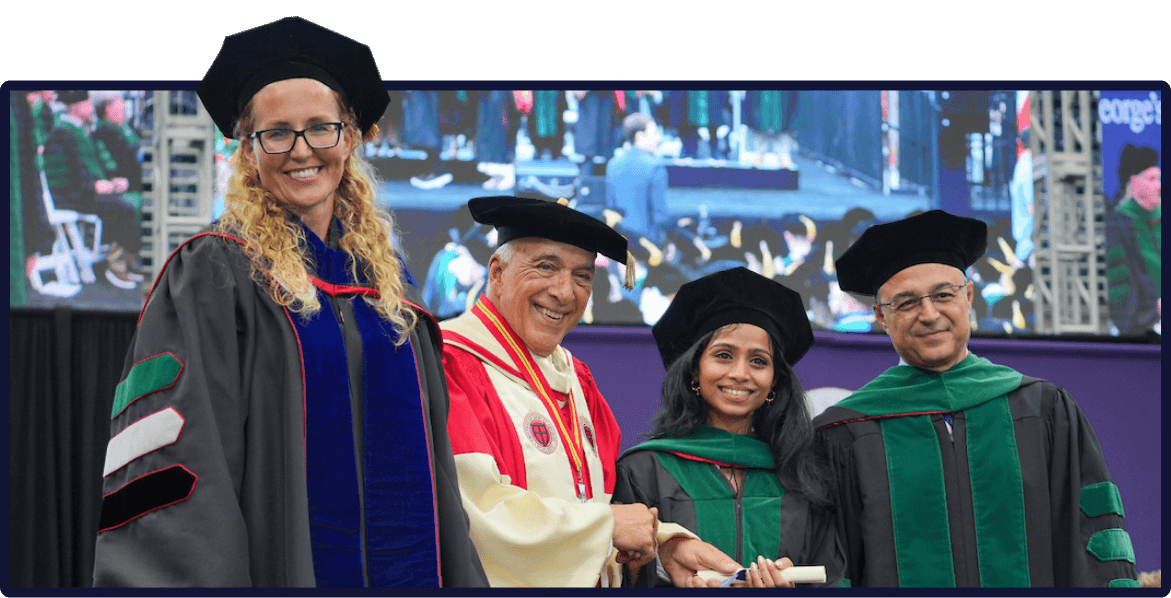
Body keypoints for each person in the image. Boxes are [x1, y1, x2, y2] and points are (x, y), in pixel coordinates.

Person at [91, 17, 487, 587]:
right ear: (249, 150)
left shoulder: (388, 288)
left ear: (349, 138)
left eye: (321, 128)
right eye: (277, 133)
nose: (302, 151)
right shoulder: (214, 274)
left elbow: (437, 474)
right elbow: (178, 462)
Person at [813, 210, 1139, 587]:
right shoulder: (845, 431)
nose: (929, 314)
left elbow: (1094, 542)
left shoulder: (1044, 409)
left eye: (943, 295)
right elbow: (831, 566)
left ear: (967, 296)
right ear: (881, 317)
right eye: (906, 303)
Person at [441, 195, 743, 586]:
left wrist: (661, 545)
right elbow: (471, 515)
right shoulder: (450, 364)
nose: (565, 293)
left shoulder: (576, 378)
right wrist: (607, 527)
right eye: (546, 267)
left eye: (582, 276)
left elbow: (596, 503)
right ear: (497, 273)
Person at [614, 267, 846, 587]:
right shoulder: (645, 470)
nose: (740, 373)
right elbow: (620, 574)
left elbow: (834, 576)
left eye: (758, 361)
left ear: (774, 381)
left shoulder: (803, 472)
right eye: (723, 355)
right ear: (694, 371)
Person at [41, 89, 143, 289]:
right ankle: (115, 264)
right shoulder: (62, 132)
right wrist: (93, 186)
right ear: (75, 106)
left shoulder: (80, 130)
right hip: (70, 196)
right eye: (87, 103)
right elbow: (67, 174)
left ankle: (128, 259)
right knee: (123, 207)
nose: (91, 107)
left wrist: (113, 181)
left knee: (131, 201)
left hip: (84, 190)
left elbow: (92, 165)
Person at [1104, 144, 1160, 337]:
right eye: (1152, 179)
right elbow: (1121, 283)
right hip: (1142, 327)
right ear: (1134, 182)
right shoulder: (1117, 225)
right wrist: (1154, 308)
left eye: (1159, 179)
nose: (1159, 186)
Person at [606, 112, 669, 247]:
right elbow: (660, 215)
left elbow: (611, 206)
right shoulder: (655, 167)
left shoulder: (612, 164)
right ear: (640, 136)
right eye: (654, 133)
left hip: (619, 242)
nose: (658, 138)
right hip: (647, 245)